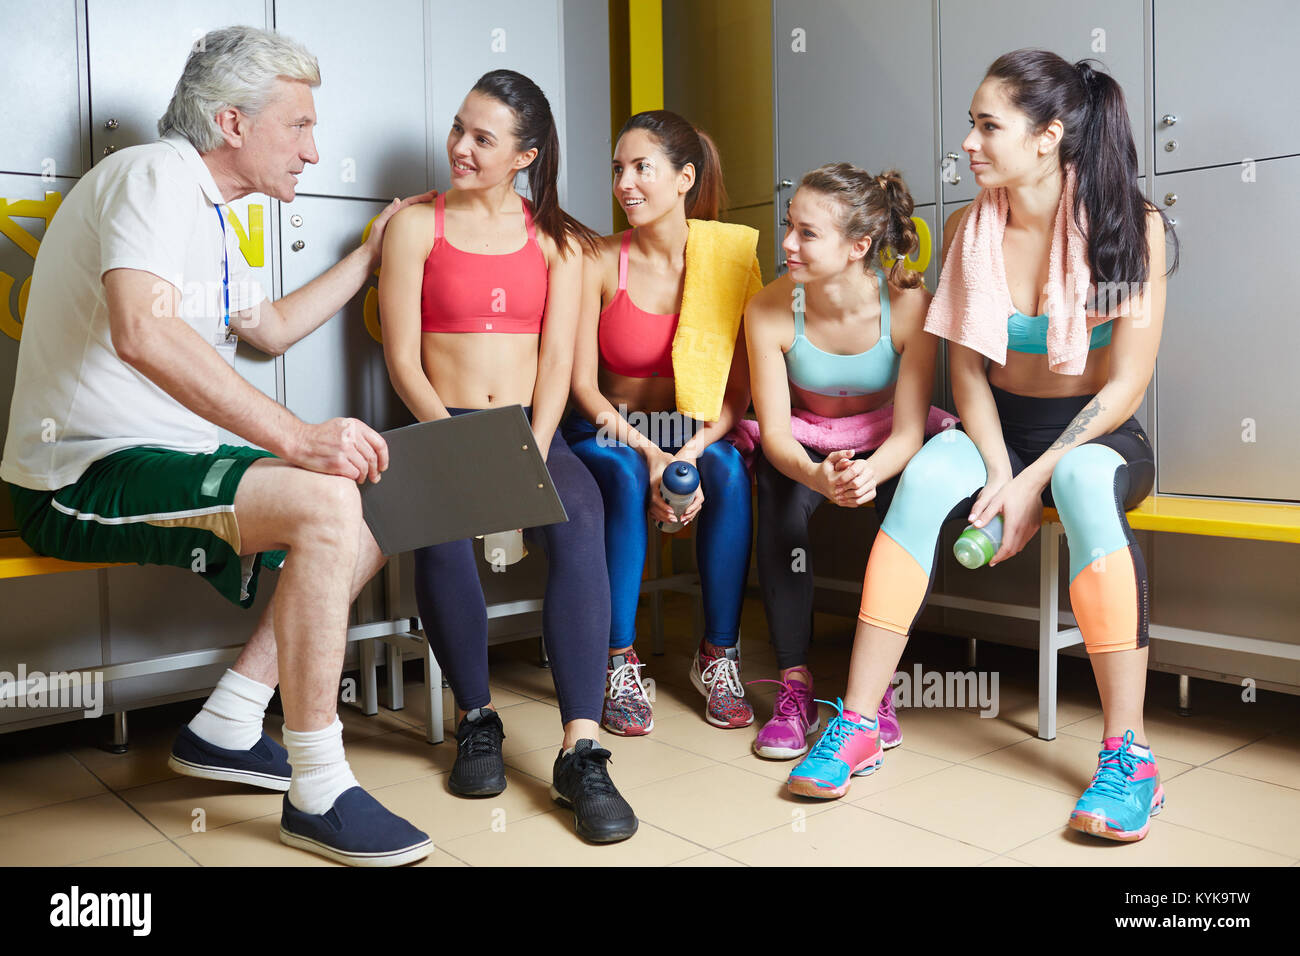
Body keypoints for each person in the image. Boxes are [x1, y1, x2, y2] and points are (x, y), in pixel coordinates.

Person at [0, 26, 438, 866]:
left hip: (156, 462)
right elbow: (143, 334)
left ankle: (230, 721)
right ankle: (319, 785)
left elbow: (268, 330)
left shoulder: (210, 215)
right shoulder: (153, 176)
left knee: (375, 497)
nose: (315, 152)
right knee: (325, 496)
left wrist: (368, 259)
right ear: (232, 125)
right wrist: (300, 439)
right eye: (299, 126)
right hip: (79, 474)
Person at [787, 51, 1175, 844]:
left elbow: (1125, 385)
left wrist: (1032, 480)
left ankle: (1129, 756)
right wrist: (1001, 469)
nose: (967, 141)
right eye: (971, 122)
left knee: (1086, 488)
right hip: (995, 426)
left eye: (987, 125)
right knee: (928, 477)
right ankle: (858, 721)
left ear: (1048, 137)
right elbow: (964, 370)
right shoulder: (971, 229)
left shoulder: (1133, 227)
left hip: (1093, 434)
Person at [377, 69, 638, 844]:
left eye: (482, 138)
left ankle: (580, 747)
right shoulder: (415, 227)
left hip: (532, 427)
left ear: (524, 155)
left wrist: (530, 445)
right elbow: (401, 359)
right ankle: (477, 718)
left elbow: (556, 364)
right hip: (440, 423)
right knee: (440, 528)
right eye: (459, 128)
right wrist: (459, 445)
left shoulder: (559, 241)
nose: (459, 146)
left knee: (580, 515)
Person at [565, 110, 759, 735]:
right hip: (606, 428)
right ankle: (616, 660)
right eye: (618, 169)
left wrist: (692, 450)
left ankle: (718, 656)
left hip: (689, 429)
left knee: (728, 467)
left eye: (641, 168)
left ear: (684, 178)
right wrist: (653, 455)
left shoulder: (728, 259)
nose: (625, 184)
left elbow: (738, 392)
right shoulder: (597, 259)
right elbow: (581, 386)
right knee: (624, 474)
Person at [742, 163, 941, 760]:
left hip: (885, 443)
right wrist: (817, 476)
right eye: (787, 226)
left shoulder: (908, 306)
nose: (786, 244)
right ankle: (794, 684)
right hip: (806, 443)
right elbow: (775, 431)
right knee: (778, 501)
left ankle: (872, 688)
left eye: (806, 233)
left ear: (859, 246)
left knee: (915, 503)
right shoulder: (770, 309)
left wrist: (866, 474)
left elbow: (909, 430)